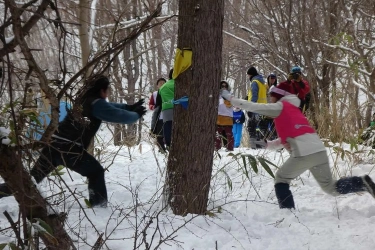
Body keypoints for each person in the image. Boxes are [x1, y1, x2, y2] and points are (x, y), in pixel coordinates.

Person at [221, 82, 375, 209]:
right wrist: (268, 145)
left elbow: (252, 106)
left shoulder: (280, 107)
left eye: (272, 96)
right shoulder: (294, 110)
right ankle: (362, 183)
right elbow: (290, 137)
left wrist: (228, 96)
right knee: (331, 188)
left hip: (304, 153)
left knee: (281, 179)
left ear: (279, 96)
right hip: (319, 151)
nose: (270, 99)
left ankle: (288, 213)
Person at [0, 75, 147, 207]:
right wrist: (135, 115)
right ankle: (99, 207)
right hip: (69, 149)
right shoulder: (96, 104)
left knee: (32, 180)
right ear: (102, 90)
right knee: (95, 171)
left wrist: (129, 107)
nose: (107, 93)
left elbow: (110, 107)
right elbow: (116, 115)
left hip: (54, 145)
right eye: (107, 89)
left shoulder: (84, 100)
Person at [246, 66, 268, 149]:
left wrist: (251, 108)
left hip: (256, 108)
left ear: (251, 74)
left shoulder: (255, 82)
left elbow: (254, 95)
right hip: (263, 108)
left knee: (251, 126)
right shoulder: (262, 82)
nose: (248, 77)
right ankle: (263, 143)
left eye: (248, 75)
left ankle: (254, 145)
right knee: (262, 126)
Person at [157, 69, 174, 148]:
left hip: (166, 108)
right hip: (178, 106)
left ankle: (168, 144)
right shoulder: (178, 83)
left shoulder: (162, 87)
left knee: (167, 125)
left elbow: (158, 101)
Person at [215, 81, 234, 151]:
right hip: (219, 117)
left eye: (225, 86)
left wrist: (225, 98)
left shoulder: (230, 95)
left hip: (228, 117)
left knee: (229, 134)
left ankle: (230, 147)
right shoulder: (218, 95)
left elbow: (229, 104)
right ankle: (217, 147)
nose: (224, 88)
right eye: (222, 86)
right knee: (217, 133)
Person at [149, 78, 166, 153]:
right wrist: (153, 107)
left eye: (163, 83)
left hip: (167, 114)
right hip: (158, 116)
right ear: (157, 86)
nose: (162, 84)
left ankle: (166, 146)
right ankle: (162, 149)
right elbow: (151, 104)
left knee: (167, 132)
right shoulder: (155, 94)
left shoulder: (169, 91)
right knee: (159, 134)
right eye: (160, 83)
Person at [264, 73, 278, 140]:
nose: (272, 80)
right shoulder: (265, 87)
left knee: (274, 126)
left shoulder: (277, 88)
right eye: (271, 79)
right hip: (266, 108)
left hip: (274, 109)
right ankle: (266, 140)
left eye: (274, 79)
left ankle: (275, 139)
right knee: (265, 126)